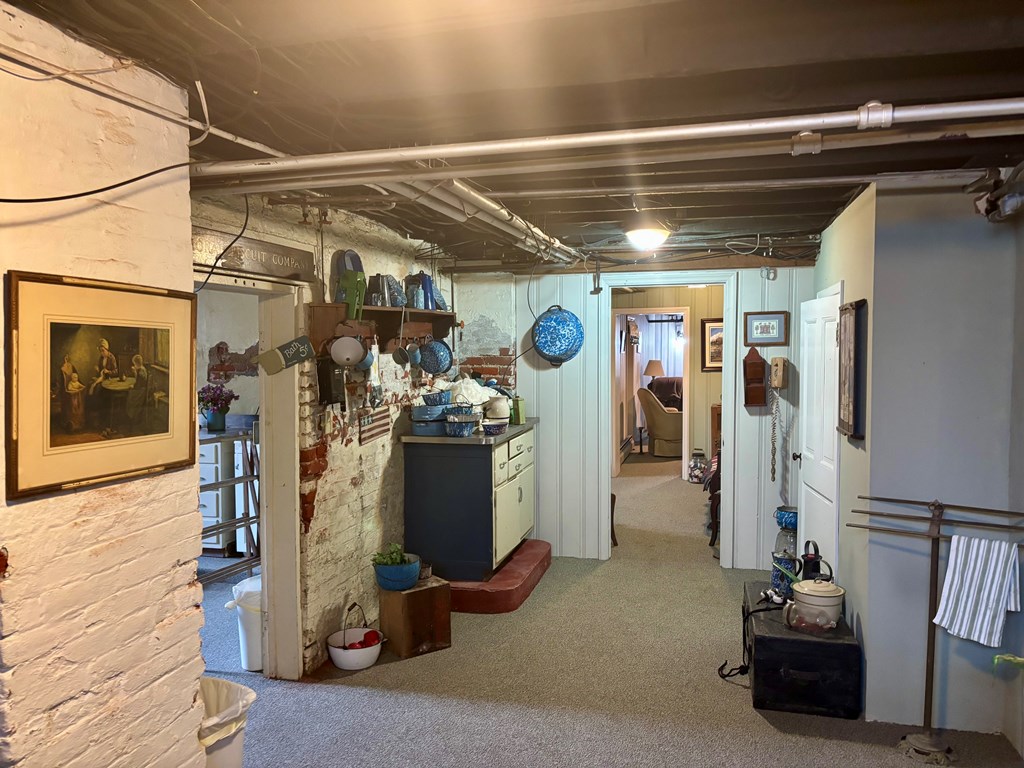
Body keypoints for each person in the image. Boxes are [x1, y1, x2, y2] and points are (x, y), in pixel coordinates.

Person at [126, 354, 150, 434]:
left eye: (134, 364)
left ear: (136, 363)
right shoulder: (142, 369)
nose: (134, 365)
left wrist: (132, 386)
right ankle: (131, 417)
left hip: (140, 392)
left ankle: (131, 418)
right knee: (129, 393)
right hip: (141, 390)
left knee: (129, 396)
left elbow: (138, 384)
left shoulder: (140, 371)